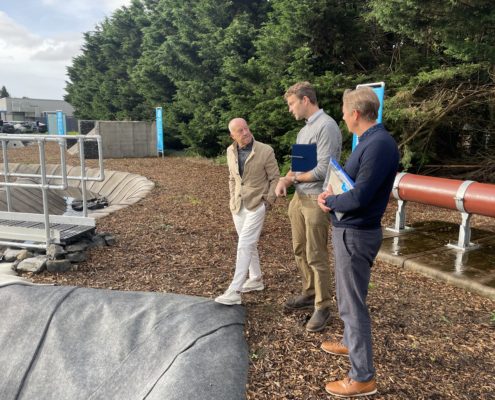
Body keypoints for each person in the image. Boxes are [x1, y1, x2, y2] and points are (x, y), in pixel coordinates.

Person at [317, 86, 399, 397]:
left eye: (343, 112)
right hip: (352, 231)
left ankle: (363, 376)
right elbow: (354, 187)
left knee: (352, 305)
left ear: (354, 114)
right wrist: (332, 197)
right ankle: (351, 343)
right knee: (351, 297)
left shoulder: (378, 145)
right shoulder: (371, 141)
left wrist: (331, 202)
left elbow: (361, 196)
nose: (342, 117)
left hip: (356, 233)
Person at [275, 81, 342, 332]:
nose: (290, 109)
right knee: (299, 249)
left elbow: (323, 170)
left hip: (316, 199)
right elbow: (298, 167)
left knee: (316, 254)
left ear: (305, 100)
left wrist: (293, 179)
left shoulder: (327, 126)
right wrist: (285, 179)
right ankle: (309, 291)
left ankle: (323, 306)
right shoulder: (304, 131)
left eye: (292, 103)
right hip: (299, 199)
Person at [215, 118, 280, 305]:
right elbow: (232, 178)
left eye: (246, 128)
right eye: (240, 131)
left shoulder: (265, 150)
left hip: (257, 204)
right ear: (232, 135)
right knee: (248, 243)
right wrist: (231, 199)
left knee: (244, 244)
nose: (245, 133)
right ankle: (256, 279)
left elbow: (275, 178)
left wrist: (267, 202)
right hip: (237, 205)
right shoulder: (230, 151)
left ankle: (234, 290)